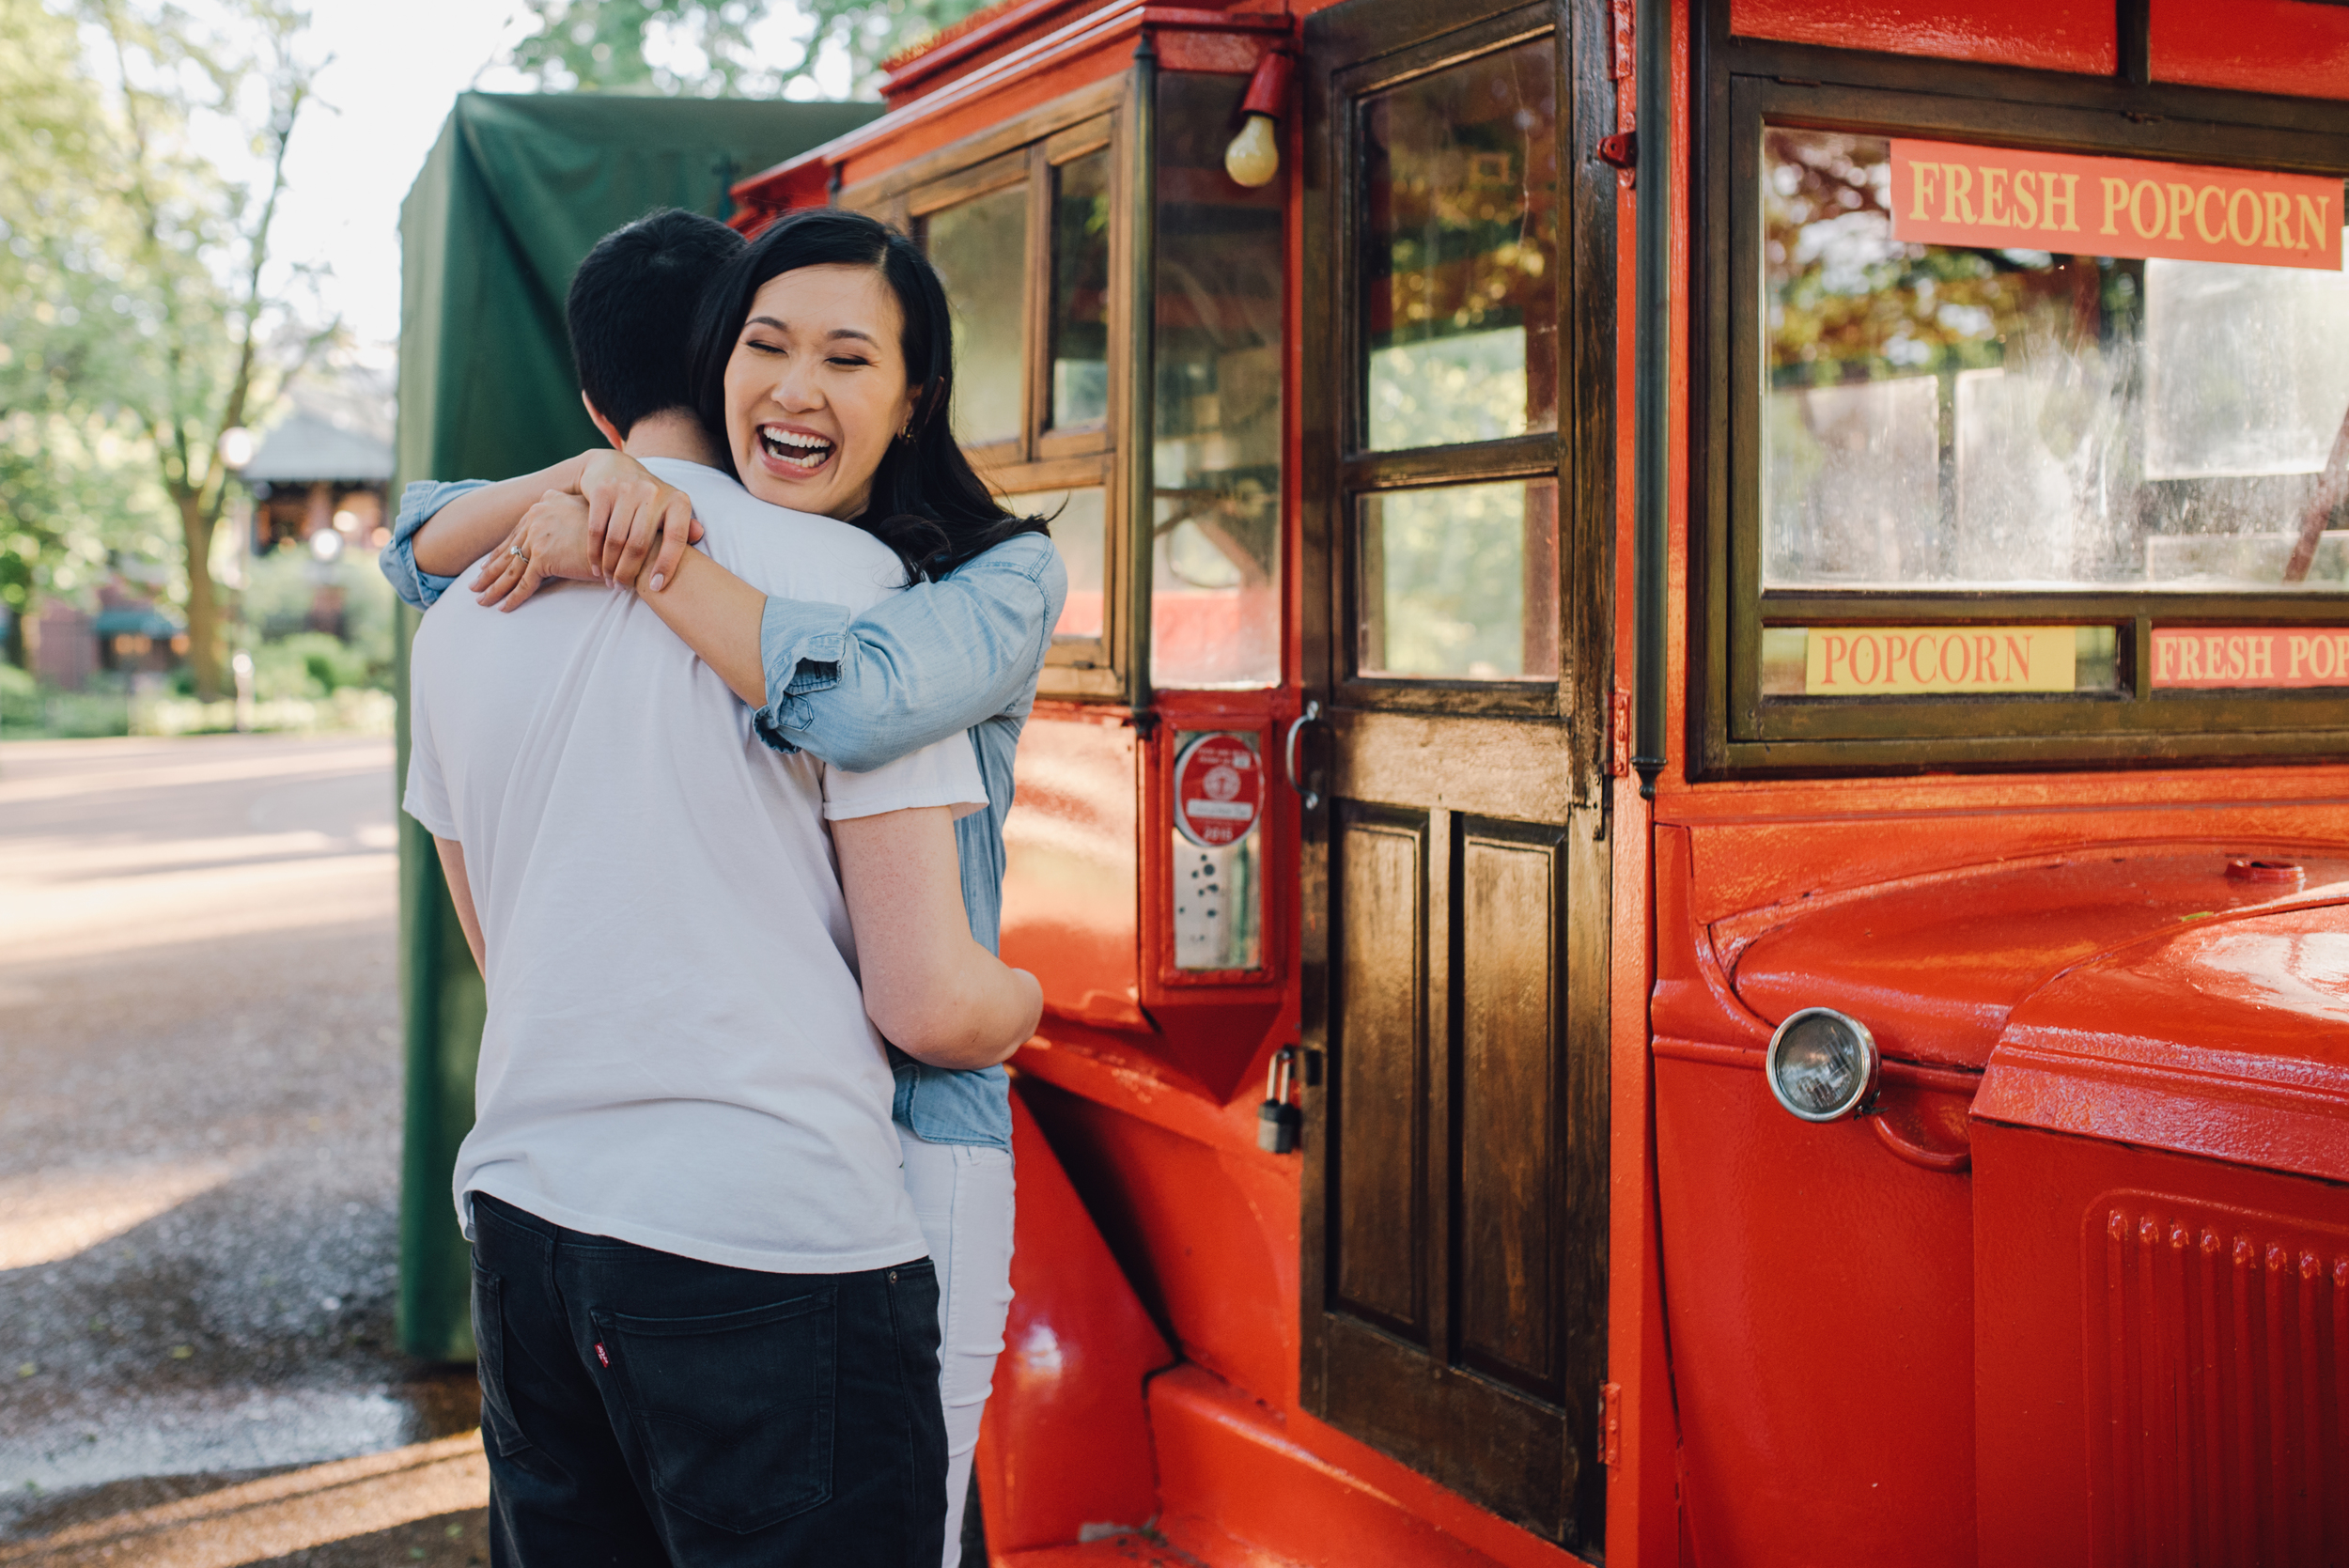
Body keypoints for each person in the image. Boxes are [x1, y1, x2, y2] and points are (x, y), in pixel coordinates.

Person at [386, 208, 1066, 1566]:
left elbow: (500, 941)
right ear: (727, 363)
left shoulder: (467, 609)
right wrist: (1033, 998)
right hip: (770, 1238)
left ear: (593, 403)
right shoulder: (873, 587)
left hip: (528, 1222)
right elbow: (930, 997)